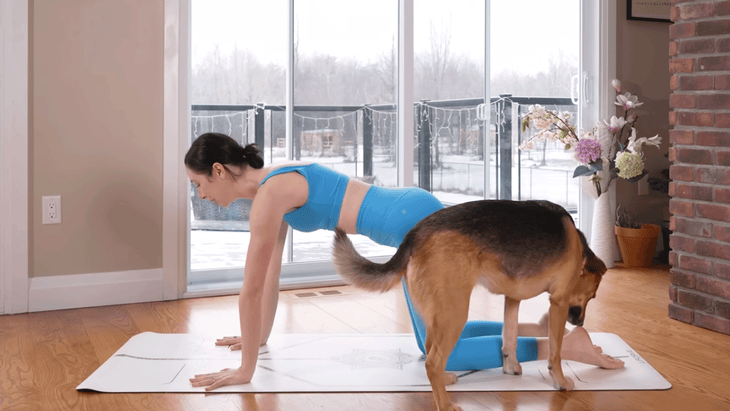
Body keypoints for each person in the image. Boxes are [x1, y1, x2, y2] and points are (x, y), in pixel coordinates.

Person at [185, 132, 624, 390]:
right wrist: (256, 339)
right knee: (439, 333)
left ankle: (559, 347)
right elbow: (271, 276)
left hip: (414, 224)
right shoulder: (274, 186)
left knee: (438, 353)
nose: (199, 195)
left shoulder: (269, 197)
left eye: (198, 184)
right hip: (411, 211)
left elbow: (252, 287)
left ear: (220, 171)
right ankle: (547, 336)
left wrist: (244, 374)